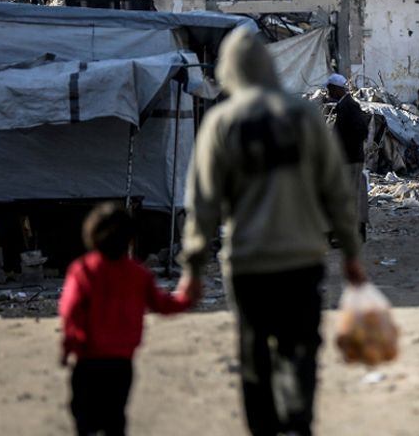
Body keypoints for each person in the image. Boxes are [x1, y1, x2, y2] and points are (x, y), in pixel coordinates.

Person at [179, 29, 367, 436]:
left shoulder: (221, 123)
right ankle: (299, 421)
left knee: (253, 353)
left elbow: (203, 203)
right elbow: (336, 190)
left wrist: (192, 267)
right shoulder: (304, 117)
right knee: (300, 347)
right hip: (302, 258)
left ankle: (262, 427)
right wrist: (351, 250)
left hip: (247, 263)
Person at [61, 203, 192, 436]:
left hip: (89, 359)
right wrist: (187, 298)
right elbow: (162, 305)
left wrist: (68, 347)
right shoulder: (138, 274)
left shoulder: (82, 271)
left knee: (83, 415)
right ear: (130, 239)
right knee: (115, 415)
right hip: (122, 362)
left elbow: (71, 312)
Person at [326, 73, 369, 241]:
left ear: (337, 89)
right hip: (349, 158)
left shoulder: (349, 106)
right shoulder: (345, 105)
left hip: (350, 159)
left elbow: (362, 131)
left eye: (330, 89)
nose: (328, 92)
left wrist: (344, 147)